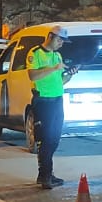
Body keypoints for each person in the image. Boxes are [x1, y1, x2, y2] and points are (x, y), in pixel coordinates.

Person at [26, 26, 72, 189]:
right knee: (45, 139)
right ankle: (45, 175)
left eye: (63, 41)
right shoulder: (35, 53)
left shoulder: (57, 55)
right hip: (43, 101)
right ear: (50, 36)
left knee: (54, 139)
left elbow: (59, 81)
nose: (61, 44)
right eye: (59, 40)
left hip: (57, 100)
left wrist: (69, 75)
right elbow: (32, 75)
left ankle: (46, 173)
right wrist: (54, 68)